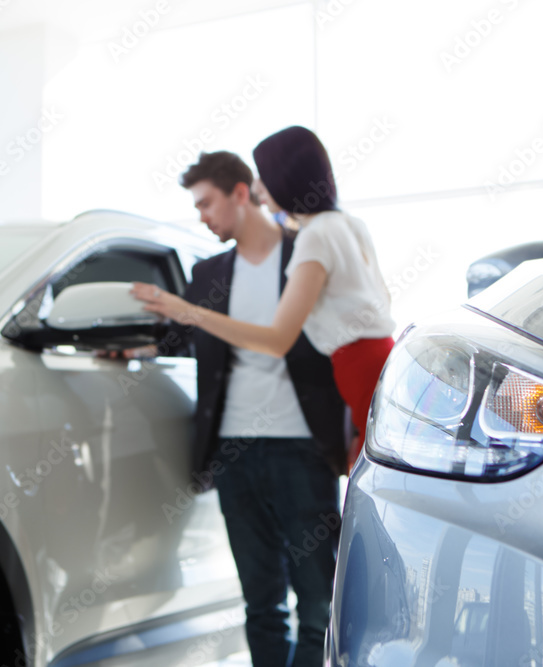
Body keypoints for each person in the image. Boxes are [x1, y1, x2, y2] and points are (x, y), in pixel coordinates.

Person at [157, 151, 347, 667]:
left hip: (303, 449)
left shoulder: (306, 254)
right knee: (261, 604)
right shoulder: (209, 273)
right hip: (234, 454)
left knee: (317, 602)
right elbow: (179, 337)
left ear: (241, 193)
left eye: (206, 203)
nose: (201, 216)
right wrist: (133, 349)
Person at [133, 126, 396, 470]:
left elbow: (276, 340)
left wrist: (188, 312)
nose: (259, 187)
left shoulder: (313, 236)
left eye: (264, 176)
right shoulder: (347, 223)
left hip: (349, 376)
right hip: (378, 359)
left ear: (285, 177)